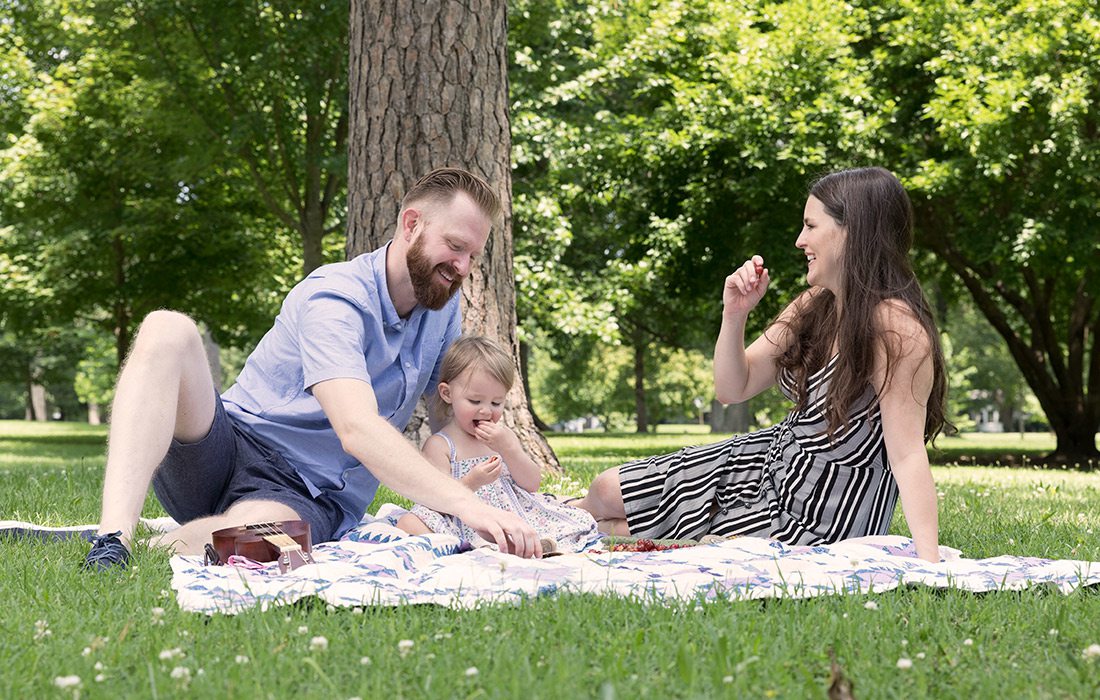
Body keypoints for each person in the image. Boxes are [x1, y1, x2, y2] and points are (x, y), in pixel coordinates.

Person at [83, 167, 542, 571]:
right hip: (226, 449)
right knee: (167, 328)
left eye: (472, 256)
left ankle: (160, 544)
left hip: (306, 495)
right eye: (455, 246)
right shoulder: (335, 297)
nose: (462, 266)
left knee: (255, 547)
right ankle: (112, 537)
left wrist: (502, 484)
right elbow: (357, 428)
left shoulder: (443, 307)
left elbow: (446, 412)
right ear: (411, 224)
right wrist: (470, 508)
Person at [575, 166, 948, 562]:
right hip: (764, 463)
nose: (799, 240)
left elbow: (906, 454)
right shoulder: (816, 304)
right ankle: (537, 520)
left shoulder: (897, 330)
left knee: (614, 532)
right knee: (604, 489)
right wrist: (734, 314)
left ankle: (540, 530)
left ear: (852, 230)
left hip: (817, 515)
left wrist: (930, 564)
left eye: (811, 226)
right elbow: (733, 388)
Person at [396, 336, 600, 553]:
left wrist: (509, 448)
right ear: (447, 393)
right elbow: (436, 498)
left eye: (496, 403)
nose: (486, 411)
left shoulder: (501, 438)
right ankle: (484, 547)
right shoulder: (441, 445)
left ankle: (524, 544)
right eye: (475, 401)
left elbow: (532, 484)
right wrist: (473, 481)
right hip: (463, 517)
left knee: (566, 517)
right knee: (410, 522)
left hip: (511, 513)